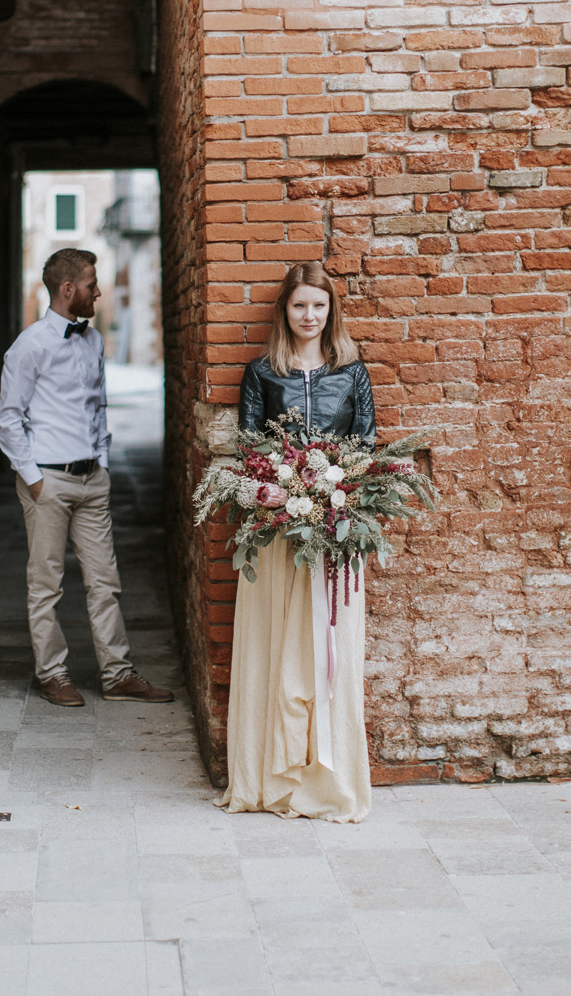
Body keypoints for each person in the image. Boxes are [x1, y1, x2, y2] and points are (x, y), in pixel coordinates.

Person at [217, 261, 375, 822]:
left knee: (329, 658)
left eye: (320, 305)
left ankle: (327, 780)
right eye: (300, 305)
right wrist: (279, 491)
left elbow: (365, 449)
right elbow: (251, 449)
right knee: (274, 648)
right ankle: (272, 777)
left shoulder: (353, 373)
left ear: (332, 311)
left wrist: (339, 493)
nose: (310, 315)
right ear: (284, 311)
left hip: (334, 535)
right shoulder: (262, 373)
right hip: (278, 537)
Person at [0, 247, 173, 708]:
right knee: (46, 583)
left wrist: (104, 463)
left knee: (104, 580)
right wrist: (33, 478)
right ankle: (52, 674)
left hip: (93, 480)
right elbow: (7, 419)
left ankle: (116, 674)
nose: (99, 292)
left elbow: (99, 408)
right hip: (47, 482)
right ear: (68, 289)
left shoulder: (93, 341)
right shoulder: (29, 345)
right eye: (93, 284)